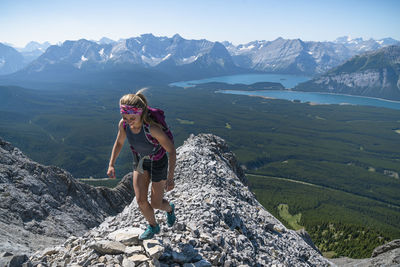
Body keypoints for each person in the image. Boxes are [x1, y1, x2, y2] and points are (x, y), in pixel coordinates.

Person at [107, 88, 176, 240]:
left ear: (141, 113)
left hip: (158, 163)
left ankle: (170, 210)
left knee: (157, 203)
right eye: (124, 117)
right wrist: (111, 164)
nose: (128, 121)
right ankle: (153, 226)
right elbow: (119, 143)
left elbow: (171, 150)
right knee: (141, 200)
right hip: (140, 162)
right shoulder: (123, 125)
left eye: (132, 118)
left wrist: (170, 177)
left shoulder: (152, 129)